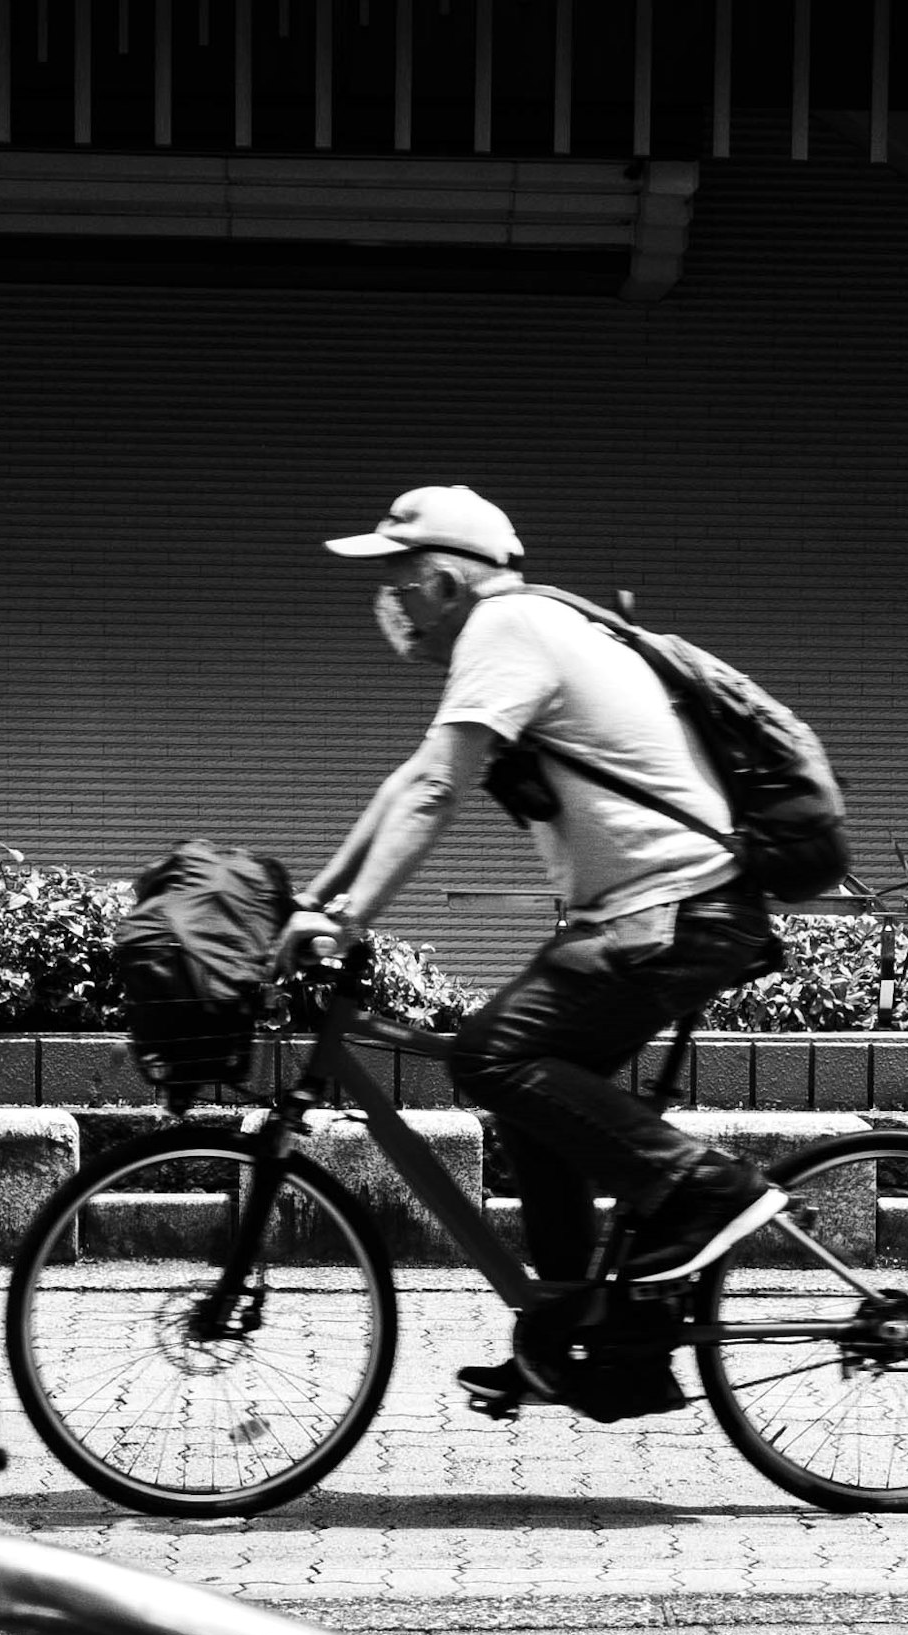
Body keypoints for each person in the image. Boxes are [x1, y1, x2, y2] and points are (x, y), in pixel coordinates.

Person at [288, 486, 775, 1367]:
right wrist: (315, 905)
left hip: (680, 910)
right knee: (534, 1099)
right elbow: (413, 780)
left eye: (398, 583)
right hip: (650, 914)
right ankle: (582, 1337)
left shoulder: (507, 630)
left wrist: (349, 920)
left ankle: (702, 1191)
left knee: (491, 1055)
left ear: (441, 582)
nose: (389, 604)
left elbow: (438, 793)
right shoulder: (513, 633)